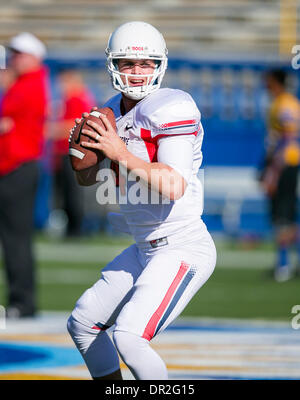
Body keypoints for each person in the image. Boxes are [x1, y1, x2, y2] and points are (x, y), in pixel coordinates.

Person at [67, 21, 216, 380]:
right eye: (127, 64)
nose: (136, 73)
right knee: (83, 323)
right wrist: (81, 153)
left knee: (131, 338)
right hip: (143, 247)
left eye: (146, 63)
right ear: (112, 66)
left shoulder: (172, 106)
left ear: (160, 64)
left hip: (182, 245)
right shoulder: (109, 112)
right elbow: (86, 178)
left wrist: (118, 152)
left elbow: (173, 185)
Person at [0, 32, 49, 318]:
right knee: (13, 238)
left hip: (17, 168)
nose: (14, 59)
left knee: (16, 239)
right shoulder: (24, 83)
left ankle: (22, 302)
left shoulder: (30, 85)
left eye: (20, 54)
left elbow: (8, 123)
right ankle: (19, 300)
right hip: (13, 166)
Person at [260, 69, 300, 282]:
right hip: (285, 164)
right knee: (286, 216)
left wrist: (273, 172)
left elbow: (288, 138)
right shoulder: (283, 102)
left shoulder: (285, 104)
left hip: (284, 165)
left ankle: (283, 265)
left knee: (282, 216)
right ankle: (286, 264)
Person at [51, 70, 95, 237]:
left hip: (72, 152)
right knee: (66, 192)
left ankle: (75, 229)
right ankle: (71, 227)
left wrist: (51, 130)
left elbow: (75, 125)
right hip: (66, 152)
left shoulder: (77, 99)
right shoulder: (70, 99)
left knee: (72, 192)